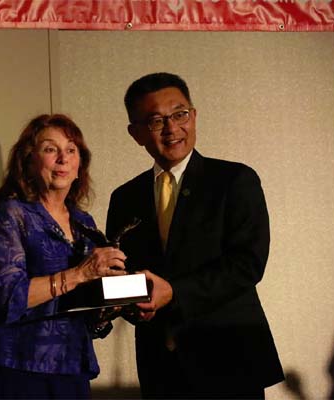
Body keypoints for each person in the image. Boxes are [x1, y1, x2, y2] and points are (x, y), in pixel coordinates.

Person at [106, 72, 284, 399]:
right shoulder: (124, 197)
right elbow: (123, 273)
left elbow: (247, 264)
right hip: (161, 366)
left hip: (230, 360)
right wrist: (127, 303)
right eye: (156, 121)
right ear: (136, 133)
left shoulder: (234, 180)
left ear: (194, 115)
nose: (172, 128)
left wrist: (173, 292)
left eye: (180, 114)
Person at [0, 113, 127, 399]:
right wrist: (80, 274)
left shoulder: (84, 222)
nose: (63, 158)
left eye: (71, 150)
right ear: (29, 161)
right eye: (50, 149)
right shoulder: (8, 216)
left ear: (80, 165)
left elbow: (85, 315)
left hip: (72, 363)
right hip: (16, 363)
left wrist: (112, 304)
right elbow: (7, 297)